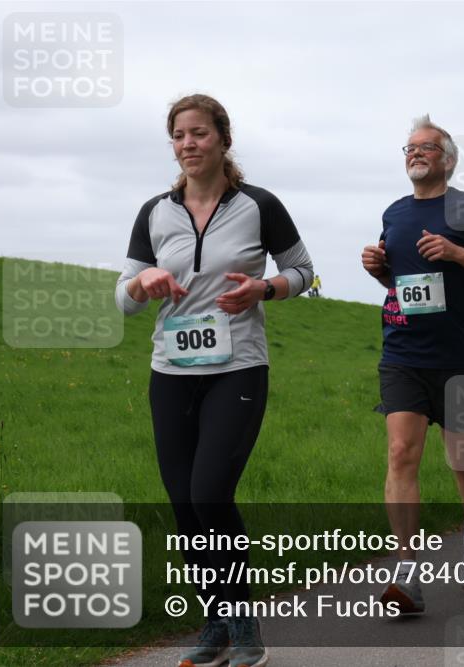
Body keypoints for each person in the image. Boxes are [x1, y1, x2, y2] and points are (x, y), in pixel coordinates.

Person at [115, 94, 313, 667]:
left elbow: (304, 271)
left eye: (199, 133)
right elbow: (123, 302)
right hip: (170, 373)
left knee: (209, 494)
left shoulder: (259, 205)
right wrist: (143, 280)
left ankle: (243, 619)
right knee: (183, 507)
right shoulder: (155, 212)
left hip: (238, 368)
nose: (187, 144)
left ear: (223, 138)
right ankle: (215, 624)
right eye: (178, 136)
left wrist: (265, 289)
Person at [360, 115, 464, 613]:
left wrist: (455, 251)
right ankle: (406, 573)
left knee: (461, 456)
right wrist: (379, 270)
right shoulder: (394, 213)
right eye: (408, 148)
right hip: (403, 352)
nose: (414, 154)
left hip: (460, 358)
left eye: (424, 147)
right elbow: (402, 285)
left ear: (447, 158)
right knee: (401, 453)